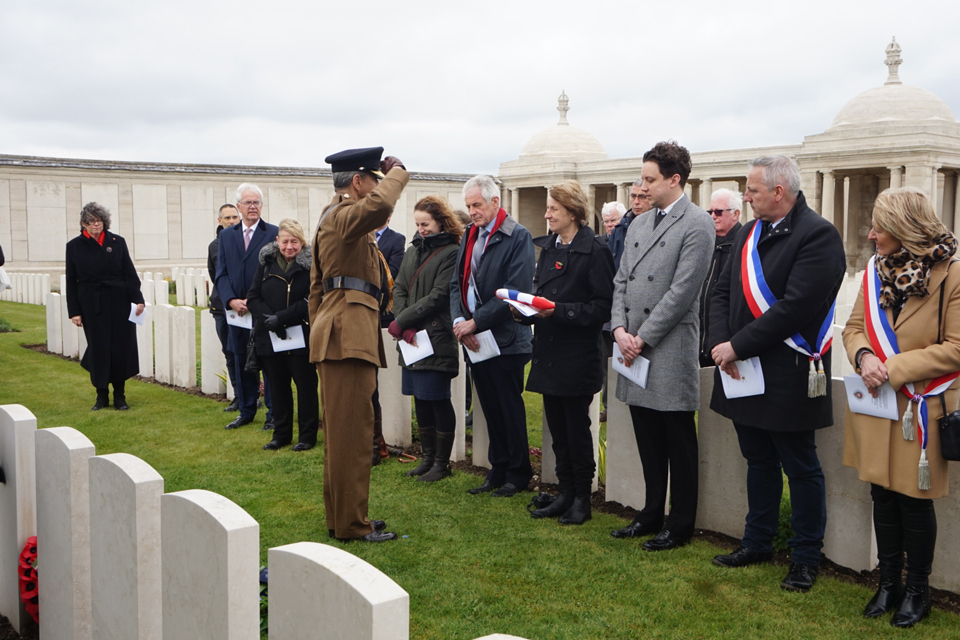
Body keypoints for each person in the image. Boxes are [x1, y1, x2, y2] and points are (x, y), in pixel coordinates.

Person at [709, 156, 845, 592]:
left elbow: (796, 307)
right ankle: (758, 540)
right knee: (758, 459)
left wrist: (738, 345)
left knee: (800, 466)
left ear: (779, 192)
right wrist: (720, 345)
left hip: (788, 368)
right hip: (741, 367)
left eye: (751, 190)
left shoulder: (818, 235)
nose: (745, 197)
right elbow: (721, 291)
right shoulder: (748, 233)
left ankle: (806, 556)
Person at [842, 187, 959, 627]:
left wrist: (891, 367)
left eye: (880, 228)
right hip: (878, 403)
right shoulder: (875, 271)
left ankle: (918, 590)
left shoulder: (952, 274)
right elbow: (854, 328)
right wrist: (863, 356)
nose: (871, 235)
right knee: (881, 493)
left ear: (903, 229)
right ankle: (888, 582)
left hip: (920, 407)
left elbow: (956, 348)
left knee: (914, 500)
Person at [609, 141, 714, 550]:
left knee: (677, 439)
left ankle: (681, 523)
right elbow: (621, 281)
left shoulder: (697, 223)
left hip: (666, 346)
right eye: (642, 178)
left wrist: (641, 337)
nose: (643, 186)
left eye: (650, 179)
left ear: (675, 180)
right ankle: (651, 512)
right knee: (647, 436)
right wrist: (619, 329)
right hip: (631, 345)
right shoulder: (637, 223)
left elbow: (683, 290)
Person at [308, 146, 407, 542]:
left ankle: (344, 517)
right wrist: (399, 172)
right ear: (357, 181)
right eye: (374, 180)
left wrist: (321, 330)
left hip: (337, 334)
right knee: (351, 434)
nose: (376, 187)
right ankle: (351, 524)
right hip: (346, 337)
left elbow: (316, 288)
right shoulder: (345, 215)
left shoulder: (333, 219)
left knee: (343, 433)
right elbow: (381, 208)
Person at [522, 181, 615, 524]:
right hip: (549, 351)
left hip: (577, 356)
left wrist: (558, 311)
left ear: (573, 211)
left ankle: (582, 499)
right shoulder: (549, 248)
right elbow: (541, 291)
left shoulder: (596, 250)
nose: (547, 214)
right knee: (558, 431)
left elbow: (602, 307)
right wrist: (525, 309)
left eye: (553, 209)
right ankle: (564, 493)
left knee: (577, 430)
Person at [450, 174, 536, 498]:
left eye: (477, 205)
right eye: (469, 206)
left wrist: (476, 323)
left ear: (495, 202)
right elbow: (455, 284)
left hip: (506, 339)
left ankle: (519, 472)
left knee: (509, 408)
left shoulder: (518, 236)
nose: (472, 211)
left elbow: (516, 291)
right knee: (489, 407)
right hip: (474, 338)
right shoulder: (470, 234)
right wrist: (460, 320)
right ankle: (497, 469)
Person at [389, 195, 463, 482]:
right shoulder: (412, 251)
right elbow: (400, 288)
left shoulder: (451, 252)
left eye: (426, 224)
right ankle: (428, 457)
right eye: (418, 224)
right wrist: (404, 323)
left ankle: (442, 463)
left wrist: (403, 321)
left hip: (435, 335)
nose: (422, 229)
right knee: (420, 399)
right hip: (413, 339)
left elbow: (439, 295)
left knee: (437, 399)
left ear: (441, 222)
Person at [247, 218, 319, 452]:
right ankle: (281, 435)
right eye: (285, 241)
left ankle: (307, 437)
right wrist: (269, 319)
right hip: (270, 336)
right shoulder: (266, 264)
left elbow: (313, 298)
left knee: (306, 388)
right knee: (278, 388)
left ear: (302, 242)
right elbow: (254, 295)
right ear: (277, 241)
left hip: (300, 335)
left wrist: (284, 317)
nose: (289, 246)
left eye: (294, 242)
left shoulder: (311, 266)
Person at [65, 202, 145, 410]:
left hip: (119, 301)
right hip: (92, 304)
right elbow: (71, 281)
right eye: (91, 221)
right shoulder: (73, 246)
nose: (96, 225)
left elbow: (129, 273)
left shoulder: (117, 242)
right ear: (83, 224)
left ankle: (120, 396)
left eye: (99, 220)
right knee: (99, 349)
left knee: (120, 348)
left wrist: (138, 299)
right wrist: (74, 311)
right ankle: (101, 395)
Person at [216, 184, 278, 430]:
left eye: (257, 203)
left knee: (268, 361)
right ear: (238, 206)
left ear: (261, 206)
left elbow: (275, 273)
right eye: (248, 202)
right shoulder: (226, 236)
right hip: (236, 312)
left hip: (262, 309)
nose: (252, 206)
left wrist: (255, 301)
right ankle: (247, 409)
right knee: (241, 359)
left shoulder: (273, 233)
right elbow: (221, 273)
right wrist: (230, 299)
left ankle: (273, 413)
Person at [698, 189, 743, 366]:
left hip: (728, 342)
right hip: (699, 340)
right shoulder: (703, 242)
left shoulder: (745, 245)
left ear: (736, 214)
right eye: (710, 212)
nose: (713, 216)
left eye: (718, 212)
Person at [208, 203, 242, 412]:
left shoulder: (242, 241)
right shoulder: (214, 246)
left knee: (245, 353)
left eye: (234, 218)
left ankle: (252, 394)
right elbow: (215, 274)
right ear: (219, 221)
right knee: (229, 352)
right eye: (227, 218)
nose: (231, 221)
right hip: (221, 306)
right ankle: (239, 396)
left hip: (243, 305)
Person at [607, 180, 652, 271]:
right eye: (633, 196)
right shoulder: (618, 230)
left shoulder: (659, 227)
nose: (636, 202)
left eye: (642, 197)